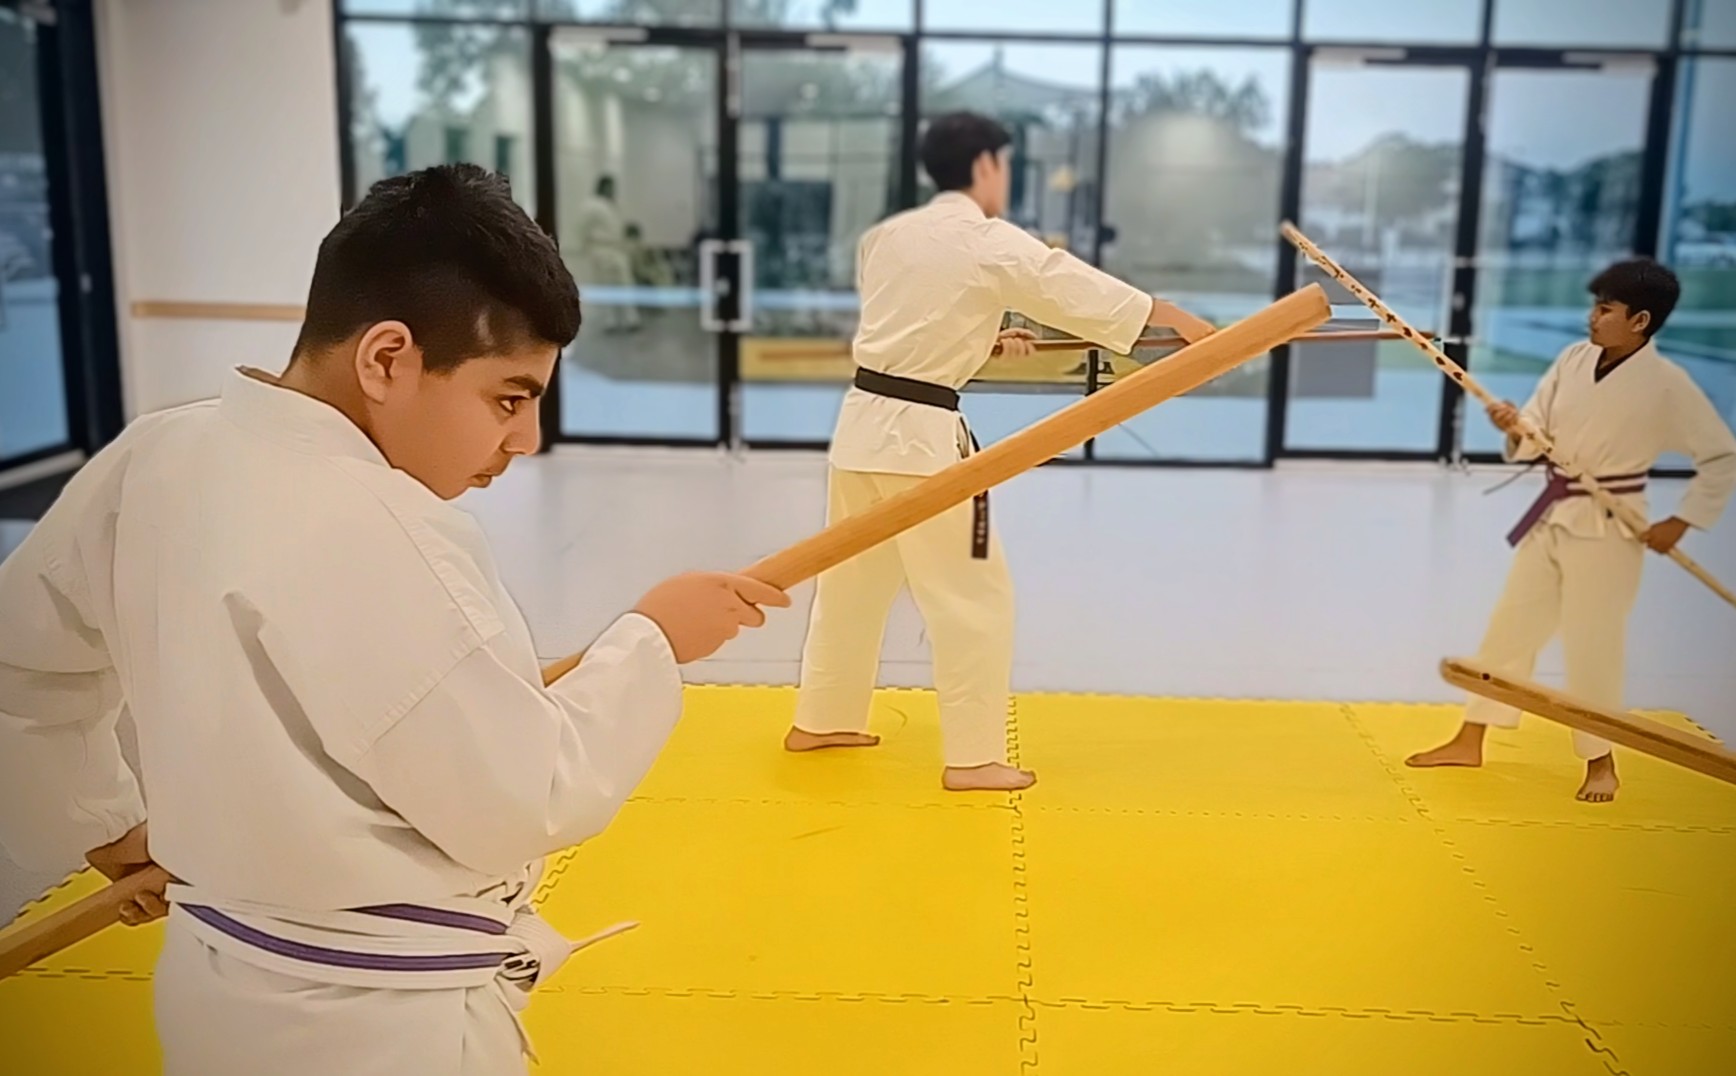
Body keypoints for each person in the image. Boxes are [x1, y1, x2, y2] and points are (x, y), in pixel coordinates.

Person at [0, 163, 786, 1073]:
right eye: (510, 397)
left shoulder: (158, 455)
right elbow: (523, 796)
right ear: (386, 358)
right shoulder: (385, 530)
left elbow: (24, 664)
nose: (523, 441)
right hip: (378, 1025)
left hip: (217, 989)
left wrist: (99, 813)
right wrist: (651, 640)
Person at [783, 111, 1216, 793]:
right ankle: (975, 756)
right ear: (985, 165)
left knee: (852, 586)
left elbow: (911, 328)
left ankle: (822, 717)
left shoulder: (885, 237)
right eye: (1005, 165)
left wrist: (982, 339)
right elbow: (1069, 286)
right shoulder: (987, 242)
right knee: (972, 596)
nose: (1005, 179)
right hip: (921, 443)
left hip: (862, 429)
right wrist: (1173, 317)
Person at [1407, 257, 1736, 802]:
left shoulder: (1667, 386)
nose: (1593, 317)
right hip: (1554, 516)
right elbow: (1539, 427)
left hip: (1611, 528)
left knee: (1592, 647)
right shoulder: (1572, 359)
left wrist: (1680, 520)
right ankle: (1470, 739)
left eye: (1605, 309)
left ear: (1640, 321)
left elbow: (1722, 456)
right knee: (1509, 630)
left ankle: (1601, 763)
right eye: (1594, 305)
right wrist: (1516, 427)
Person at [571, 174, 638, 332]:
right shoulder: (590, 205)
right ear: (601, 187)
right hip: (601, 249)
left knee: (625, 284)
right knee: (606, 285)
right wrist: (586, 247)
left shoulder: (612, 205)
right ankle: (611, 320)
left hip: (617, 249)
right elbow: (581, 228)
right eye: (609, 187)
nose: (611, 190)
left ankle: (630, 319)